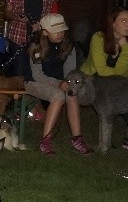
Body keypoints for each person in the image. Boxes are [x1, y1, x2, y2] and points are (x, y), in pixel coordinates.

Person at [20, 14, 92, 155]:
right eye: (55, 31)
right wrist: (58, 83)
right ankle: (45, 140)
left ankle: (77, 138)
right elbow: (37, 75)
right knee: (58, 95)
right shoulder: (36, 47)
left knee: (71, 94)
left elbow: (69, 72)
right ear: (45, 32)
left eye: (62, 30)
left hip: (59, 82)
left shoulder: (68, 47)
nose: (60, 33)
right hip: (34, 82)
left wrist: (68, 83)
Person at [80, 6, 128, 150]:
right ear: (113, 23)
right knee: (123, 90)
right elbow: (102, 71)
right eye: (124, 21)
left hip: (115, 81)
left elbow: (122, 73)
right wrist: (124, 50)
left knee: (127, 87)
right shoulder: (99, 38)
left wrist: (126, 48)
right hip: (92, 80)